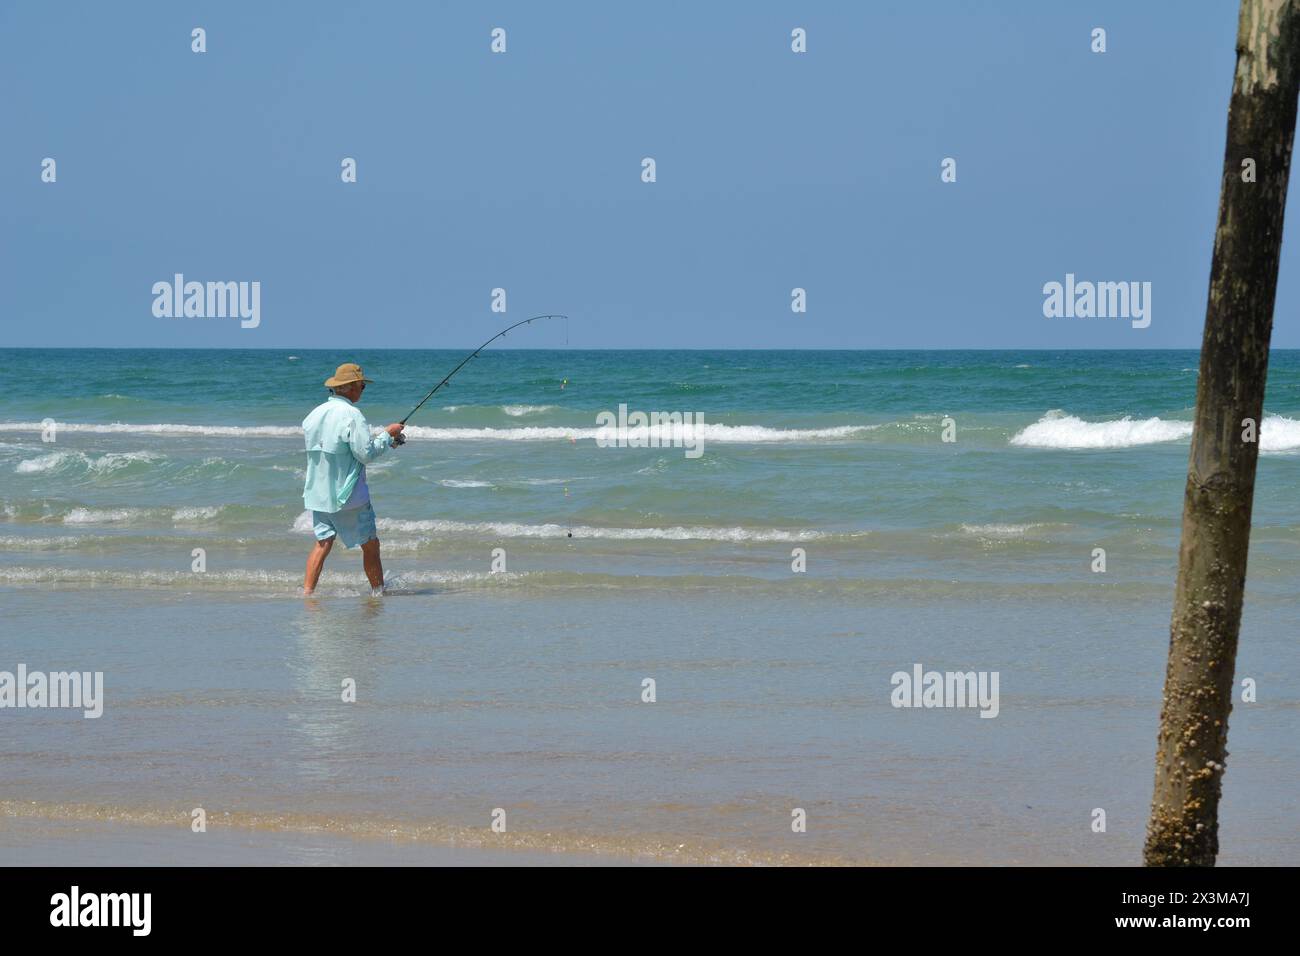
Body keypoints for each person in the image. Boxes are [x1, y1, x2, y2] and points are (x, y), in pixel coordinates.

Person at [301, 363, 404, 595]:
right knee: (370, 544)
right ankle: (378, 592)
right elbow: (365, 454)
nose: (362, 390)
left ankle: (307, 593)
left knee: (322, 542)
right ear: (349, 388)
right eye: (361, 386)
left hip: (318, 493)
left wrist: (385, 439)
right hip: (348, 495)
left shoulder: (313, 414)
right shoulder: (352, 414)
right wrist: (388, 435)